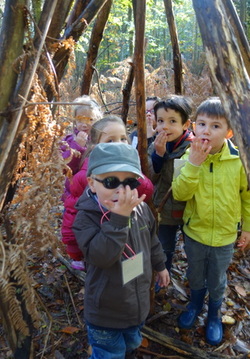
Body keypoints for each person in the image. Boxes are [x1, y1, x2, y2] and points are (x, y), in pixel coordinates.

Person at [72, 142, 170, 359]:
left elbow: (152, 239)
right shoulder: (85, 219)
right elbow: (102, 256)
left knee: (132, 341)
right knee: (109, 353)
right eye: (110, 181)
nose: (121, 190)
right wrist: (119, 218)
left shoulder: (141, 209)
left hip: (136, 305)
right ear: (91, 183)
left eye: (130, 182)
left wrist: (160, 265)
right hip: (106, 313)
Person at [171, 97, 250, 345]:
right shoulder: (187, 155)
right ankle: (194, 305)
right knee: (195, 274)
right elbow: (179, 194)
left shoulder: (238, 160)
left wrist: (247, 227)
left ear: (228, 131)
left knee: (217, 279)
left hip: (225, 236)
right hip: (195, 232)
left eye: (215, 126)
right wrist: (194, 164)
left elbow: (247, 197)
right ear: (194, 126)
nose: (207, 131)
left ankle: (214, 313)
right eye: (202, 124)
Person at [61, 115, 154, 271]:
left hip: (132, 253)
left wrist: (136, 178)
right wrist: (74, 247)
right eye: (110, 140)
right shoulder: (86, 175)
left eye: (123, 138)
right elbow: (72, 209)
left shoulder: (130, 169)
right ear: (95, 145)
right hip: (102, 247)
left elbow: (147, 191)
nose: (118, 144)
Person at [148, 95, 194, 272]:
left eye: (172, 121)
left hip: (187, 210)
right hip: (164, 209)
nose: (164, 126)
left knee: (191, 248)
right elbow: (151, 177)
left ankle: (193, 279)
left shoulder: (192, 148)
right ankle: (162, 276)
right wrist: (158, 155)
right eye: (160, 121)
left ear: (185, 125)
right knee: (164, 246)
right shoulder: (157, 144)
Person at [60, 95, 103, 202]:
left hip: (98, 190)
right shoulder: (69, 141)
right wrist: (77, 147)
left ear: (97, 120)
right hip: (74, 192)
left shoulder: (101, 139)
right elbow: (66, 168)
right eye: (80, 120)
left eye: (90, 119)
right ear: (74, 121)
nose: (84, 124)